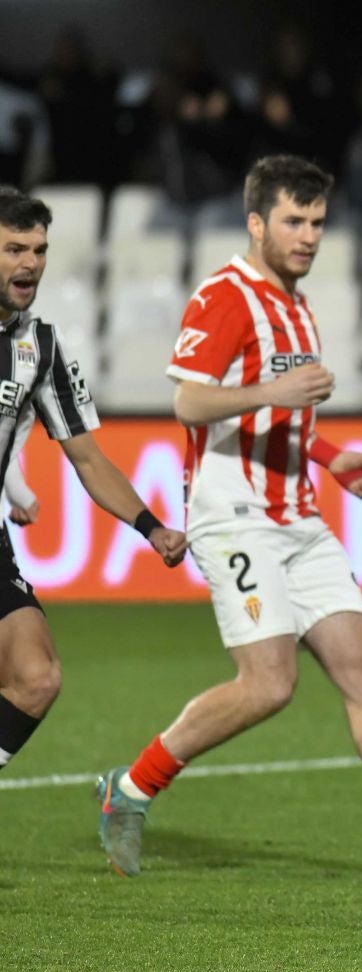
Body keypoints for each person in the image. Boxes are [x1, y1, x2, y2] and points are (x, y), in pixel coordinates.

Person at [96, 156, 362, 878]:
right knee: (269, 684)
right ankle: (128, 790)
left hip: (299, 515)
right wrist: (275, 391)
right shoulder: (226, 294)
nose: (308, 235)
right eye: (293, 221)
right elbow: (189, 401)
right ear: (257, 223)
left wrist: (331, 454)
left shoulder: (295, 302)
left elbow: (283, 417)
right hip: (235, 515)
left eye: (316, 222)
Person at [0, 189, 189, 778]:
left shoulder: (41, 349)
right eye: (13, 248)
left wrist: (150, 527)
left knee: (37, 678)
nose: (30, 262)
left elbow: (88, 459)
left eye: (39, 249)